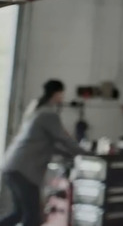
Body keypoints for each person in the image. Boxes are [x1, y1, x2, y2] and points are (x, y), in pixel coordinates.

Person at [1, 79, 87, 226]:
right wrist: (87, 154)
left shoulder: (37, 110)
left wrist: (73, 155)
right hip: (23, 170)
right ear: (58, 93)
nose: (63, 97)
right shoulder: (48, 114)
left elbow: (52, 145)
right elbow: (63, 138)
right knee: (33, 217)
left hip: (12, 167)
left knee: (19, 213)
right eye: (62, 93)